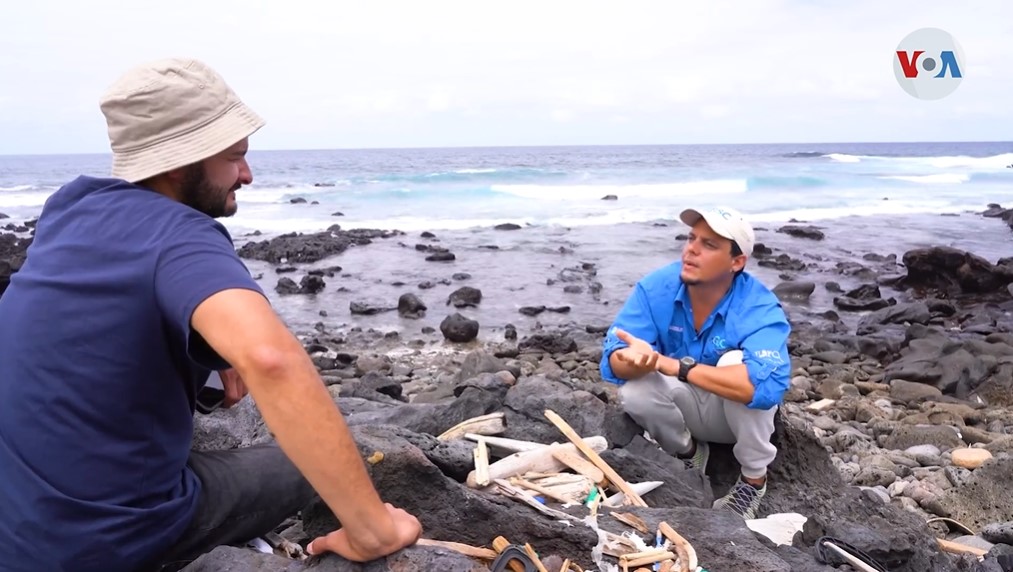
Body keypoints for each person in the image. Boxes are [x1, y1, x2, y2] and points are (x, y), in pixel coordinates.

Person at [0, 58, 422, 572]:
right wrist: (373, 530)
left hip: (17, 520)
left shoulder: (69, 207)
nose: (246, 174)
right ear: (178, 164)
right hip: (105, 537)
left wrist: (209, 345)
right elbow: (271, 359)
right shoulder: (182, 234)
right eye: (235, 156)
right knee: (330, 459)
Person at [599, 206, 791, 520]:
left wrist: (678, 367)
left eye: (709, 245)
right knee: (636, 388)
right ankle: (689, 453)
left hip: (734, 420)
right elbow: (615, 359)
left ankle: (753, 480)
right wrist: (636, 360)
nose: (692, 249)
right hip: (685, 411)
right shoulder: (655, 288)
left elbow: (765, 387)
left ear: (736, 262)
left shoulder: (758, 305)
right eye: (692, 238)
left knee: (736, 363)